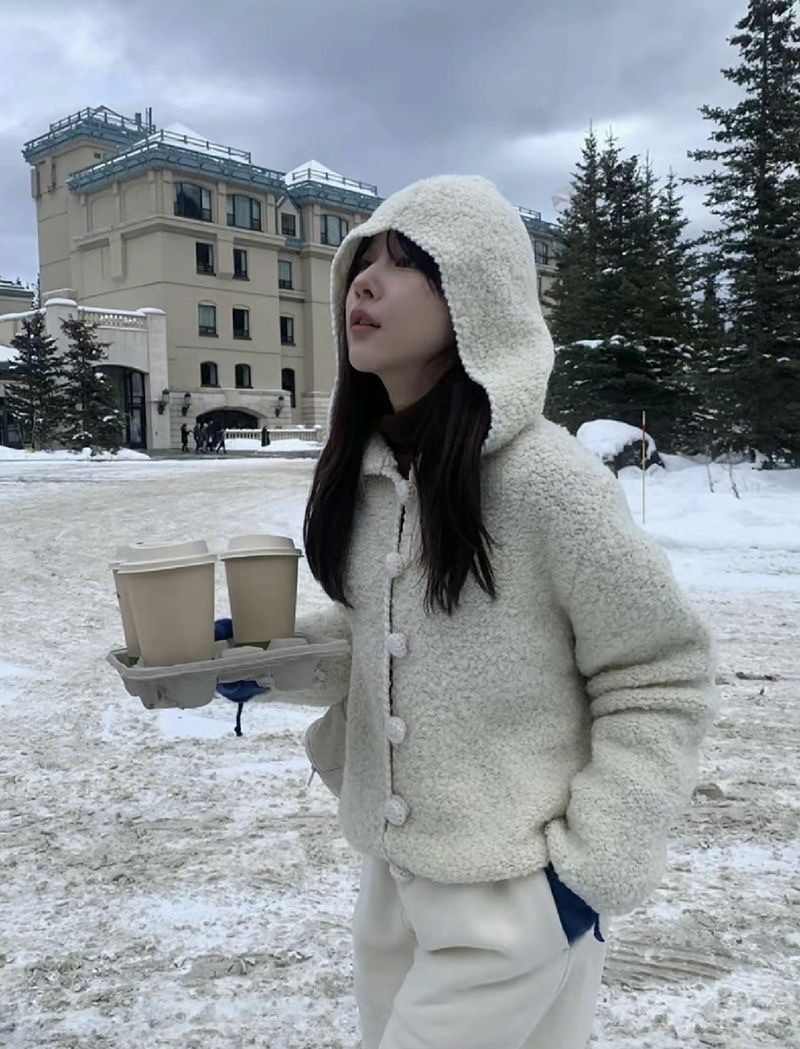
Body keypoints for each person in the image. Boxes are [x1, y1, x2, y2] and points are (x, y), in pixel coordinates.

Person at [269, 175, 717, 1049]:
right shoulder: (370, 473)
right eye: (363, 260)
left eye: (405, 264)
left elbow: (660, 669)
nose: (365, 281)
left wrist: (584, 877)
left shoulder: (548, 481)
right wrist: (261, 656)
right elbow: (386, 641)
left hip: (516, 894)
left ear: (476, 293)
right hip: (393, 882)